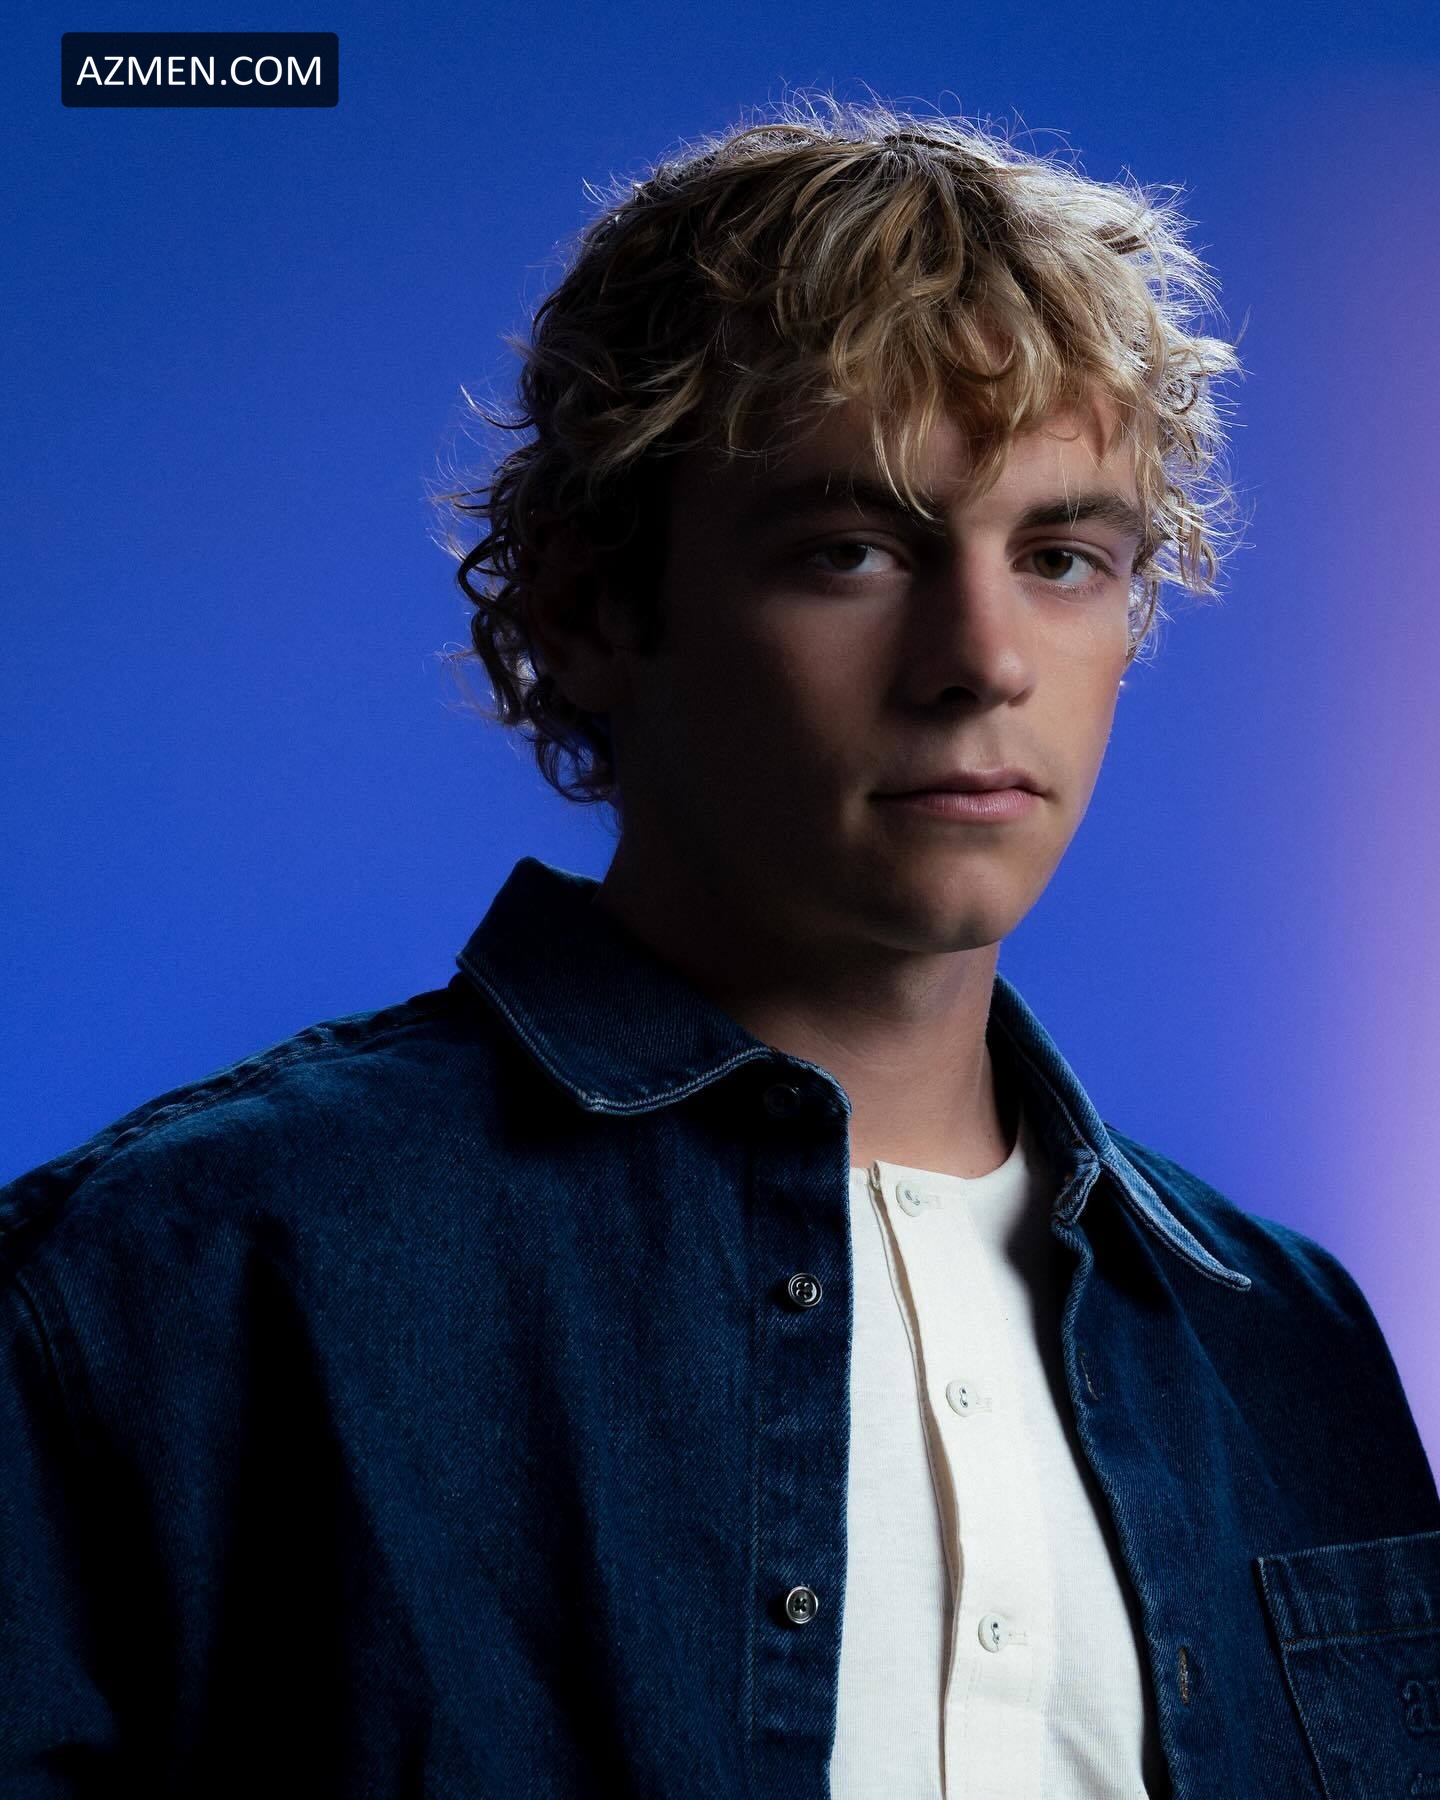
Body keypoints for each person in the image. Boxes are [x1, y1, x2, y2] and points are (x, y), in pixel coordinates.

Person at [2, 93, 1436, 1800]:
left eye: (1062, 556)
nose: (983, 658)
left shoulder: (1282, 1341)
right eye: (852, 550)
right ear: (585, 607)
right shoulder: (185, 1278)